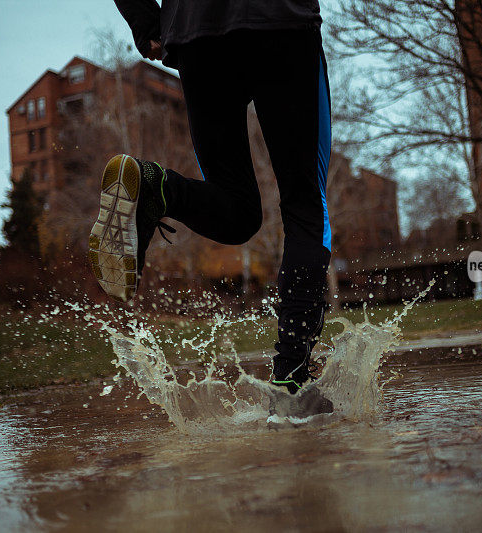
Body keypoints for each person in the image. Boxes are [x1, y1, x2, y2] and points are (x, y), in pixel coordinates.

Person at [89, 0, 332, 394]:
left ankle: (155, 185)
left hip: (195, 31)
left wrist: (147, 21)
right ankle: (291, 383)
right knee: (306, 206)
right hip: (281, 23)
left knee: (236, 210)